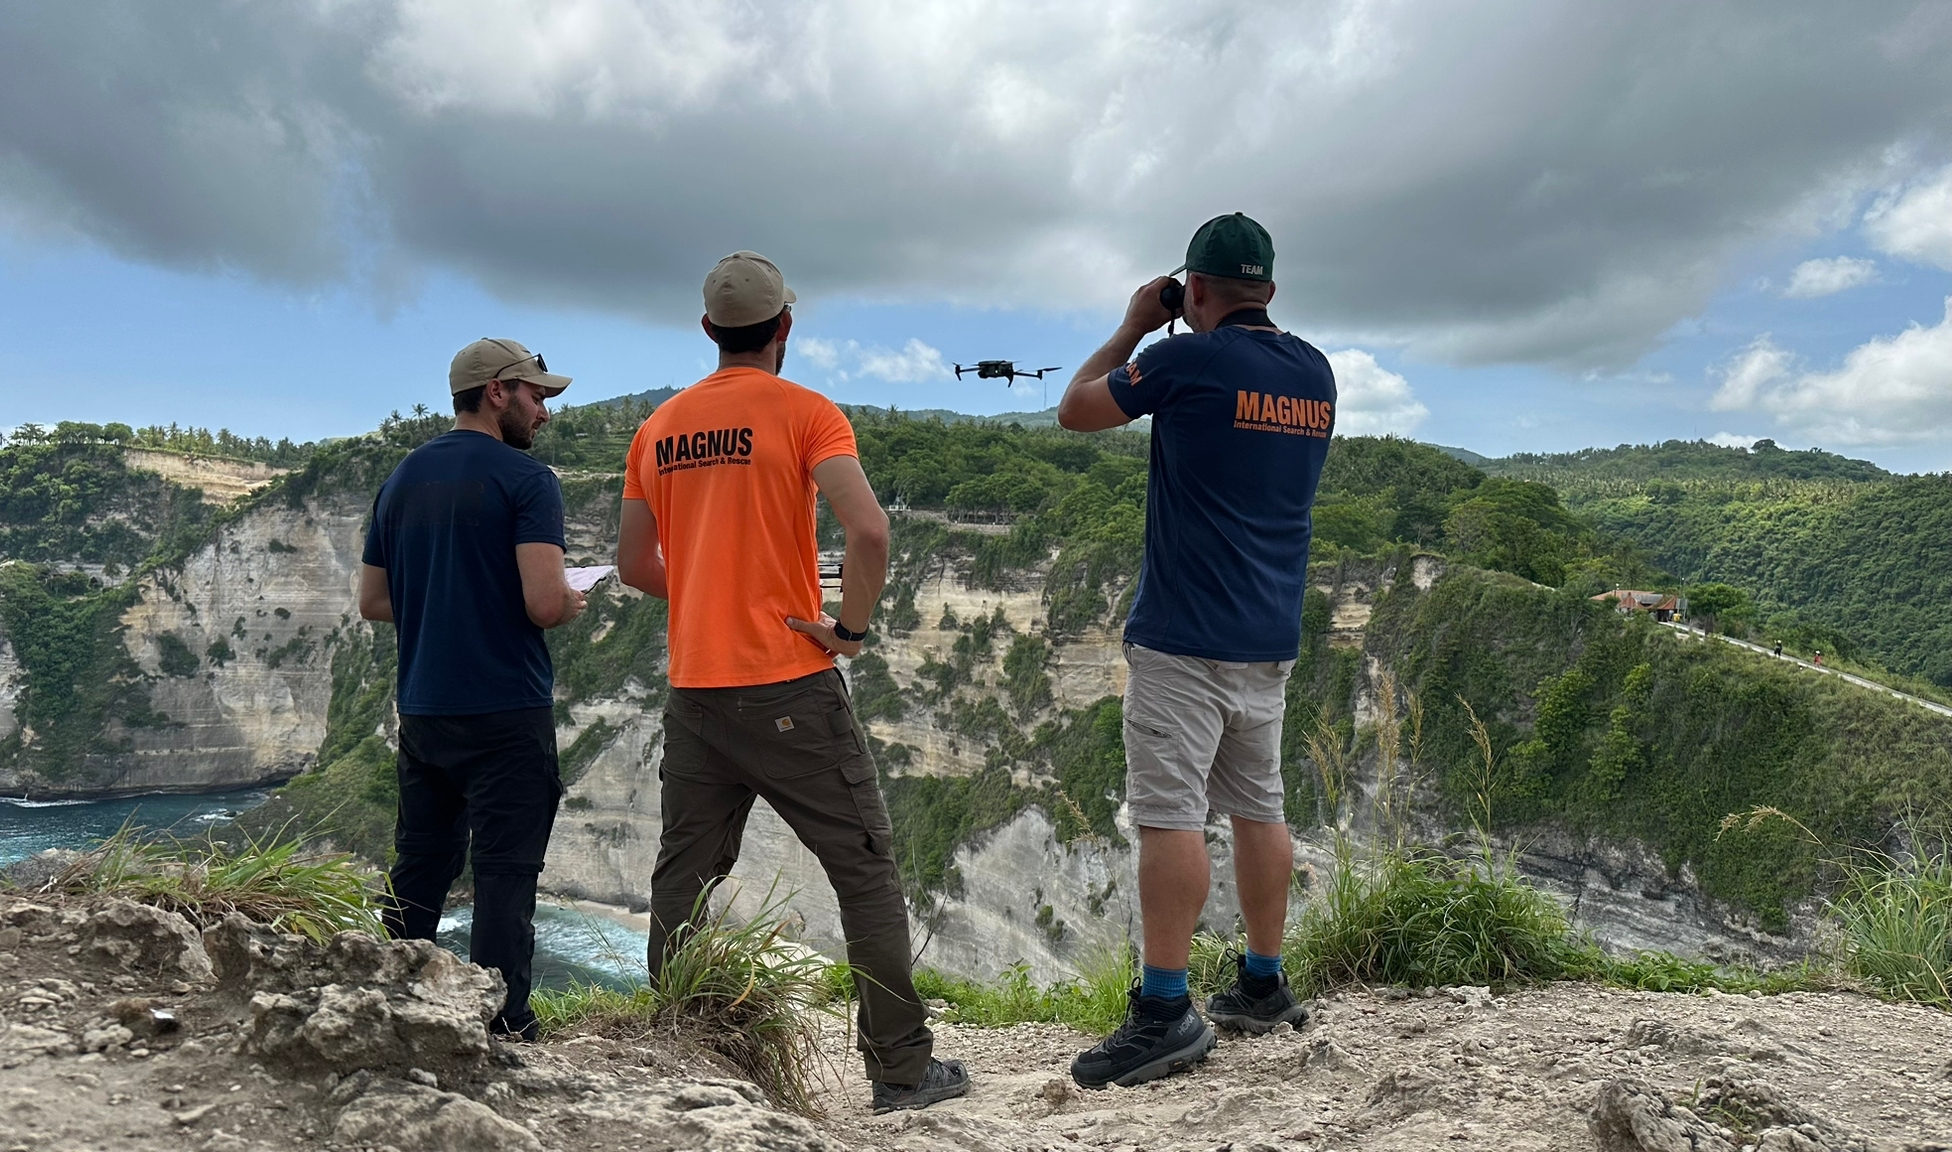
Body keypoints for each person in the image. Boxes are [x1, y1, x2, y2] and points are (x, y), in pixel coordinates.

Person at [617, 251, 969, 1114]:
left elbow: (633, 564)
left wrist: (704, 586)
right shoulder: (809, 415)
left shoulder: (658, 428)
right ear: (784, 328)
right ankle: (900, 1071)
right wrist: (847, 630)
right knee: (864, 873)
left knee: (684, 878)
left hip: (695, 691)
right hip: (788, 686)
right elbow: (871, 531)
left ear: (708, 330)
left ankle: (683, 1055)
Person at [1056, 213, 1334, 1088]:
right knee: (1260, 804)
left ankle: (1165, 1011)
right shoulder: (1314, 372)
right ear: (1273, 292)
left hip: (1185, 634)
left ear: (1196, 290)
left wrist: (1139, 324)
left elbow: (1076, 412)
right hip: (1269, 634)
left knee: (1171, 814)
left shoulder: (1183, 358)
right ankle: (1261, 982)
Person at [358, 337, 585, 1040]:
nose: (544, 412)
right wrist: (573, 599)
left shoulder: (401, 478)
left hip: (424, 708)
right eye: (537, 395)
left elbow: (373, 601)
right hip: (506, 709)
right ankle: (503, 1026)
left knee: (419, 865)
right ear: (497, 391)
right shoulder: (527, 480)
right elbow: (545, 604)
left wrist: (447, 596)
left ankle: (386, 1003)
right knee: (504, 877)